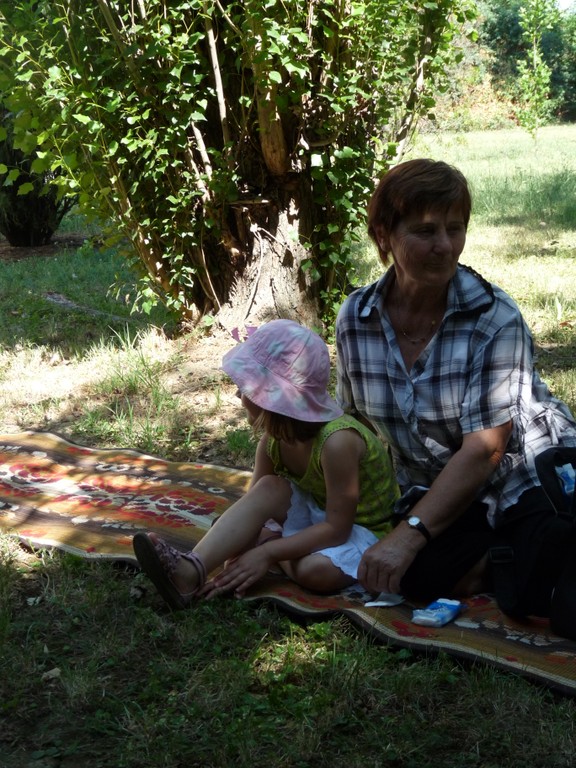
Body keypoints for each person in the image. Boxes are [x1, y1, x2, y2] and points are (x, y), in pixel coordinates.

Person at [336, 158, 576, 640]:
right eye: (425, 231)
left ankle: (508, 555)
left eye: (455, 228)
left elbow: (487, 449)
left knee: (560, 592)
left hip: (523, 473)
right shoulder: (356, 319)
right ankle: (497, 557)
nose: (444, 245)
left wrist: (408, 536)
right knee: (412, 577)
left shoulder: (494, 317)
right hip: (438, 489)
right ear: (383, 235)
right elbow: (356, 429)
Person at [133, 319, 399, 609]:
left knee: (315, 572)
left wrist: (266, 552)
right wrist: (243, 539)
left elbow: (338, 530)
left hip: (364, 533)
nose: (238, 395)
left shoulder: (337, 442)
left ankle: (272, 549)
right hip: (315, 518)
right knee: (264, 492)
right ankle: (192, 570)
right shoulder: (272, 444)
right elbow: (253, 504)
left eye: (246, 388)